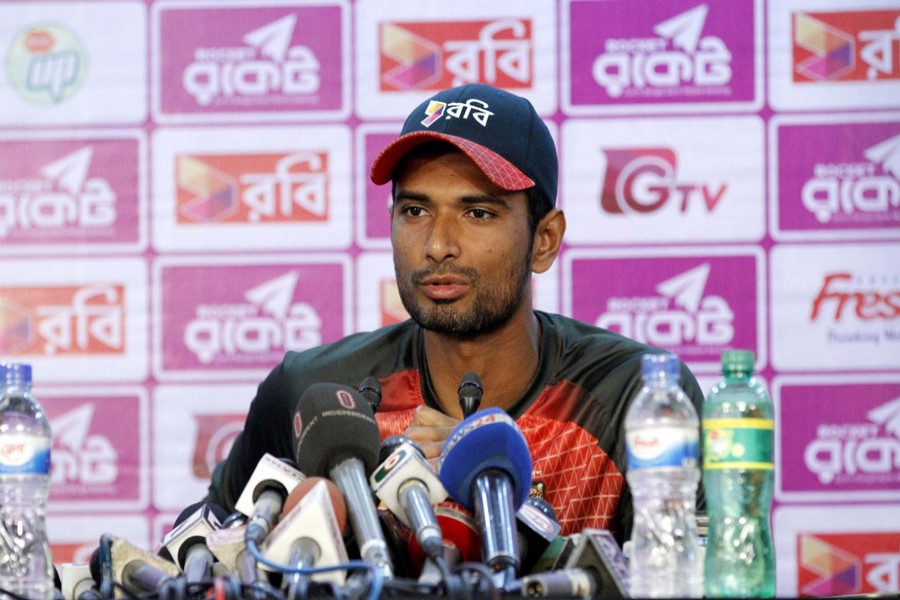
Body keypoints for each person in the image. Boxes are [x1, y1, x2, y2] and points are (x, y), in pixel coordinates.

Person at [205, 83, 705, 546]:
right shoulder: (314, 394)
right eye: (415, 211)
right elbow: (202, 563)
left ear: (544, 240)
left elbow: (688, 577)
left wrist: (501, 490)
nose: (438, 245)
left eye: (478, 213)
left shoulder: (636, 398)